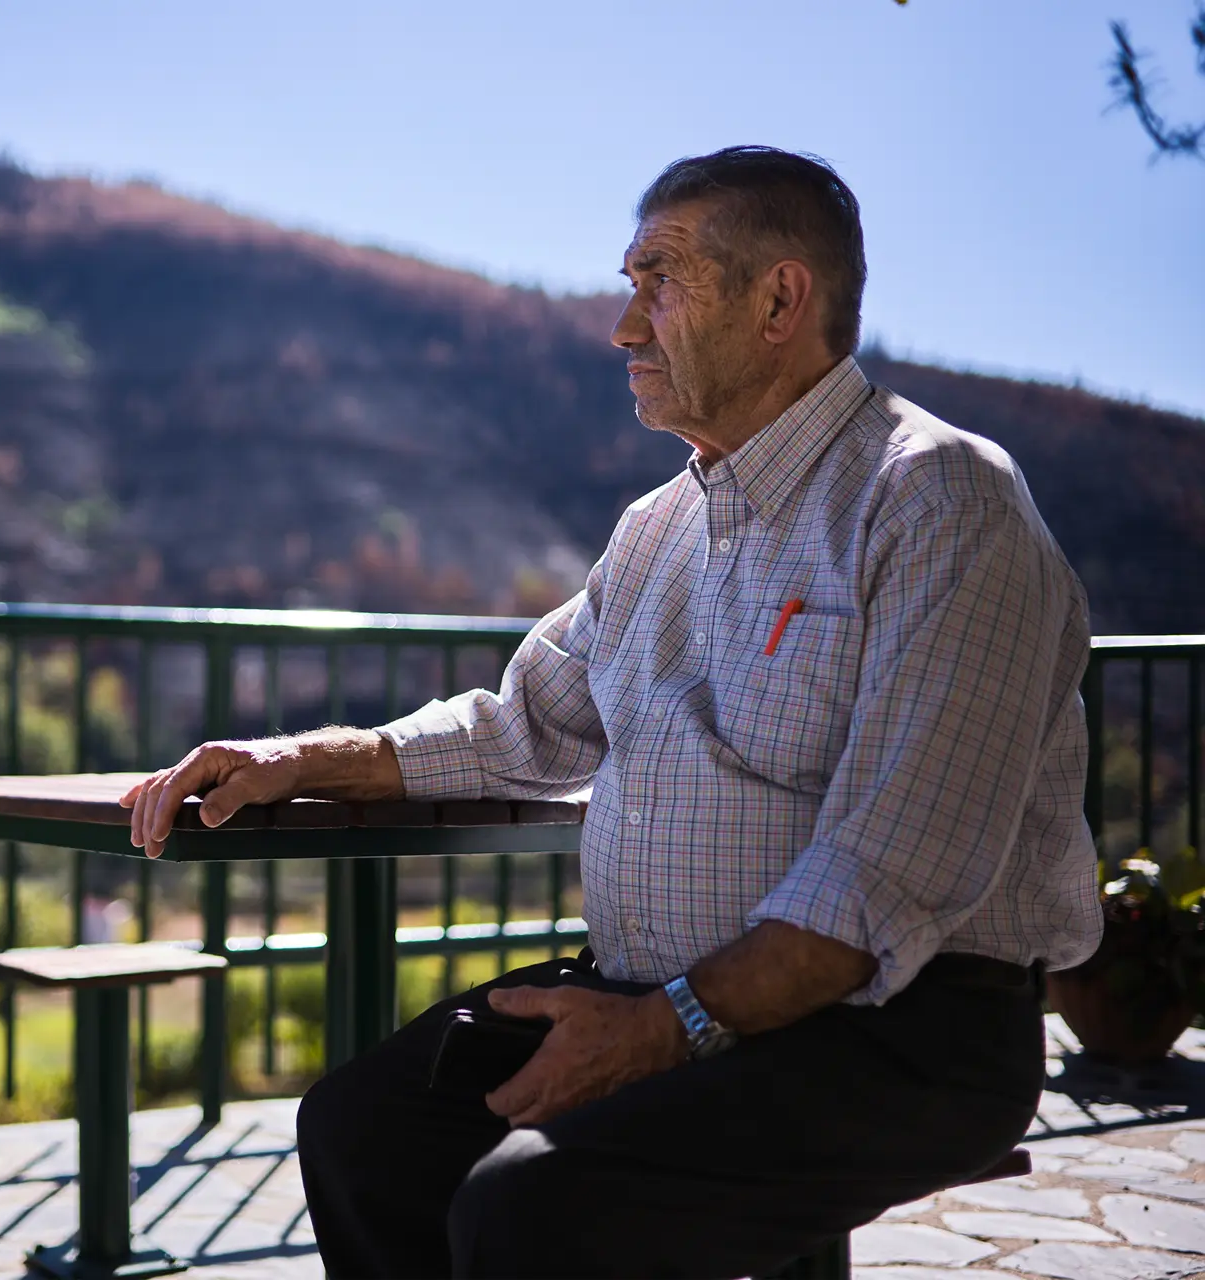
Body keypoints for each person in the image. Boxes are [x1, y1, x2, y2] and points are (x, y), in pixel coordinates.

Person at [119, 145, 1102, 1279]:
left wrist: (663, 1027)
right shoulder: (657, 529)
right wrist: (306, 757)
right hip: (669, 991)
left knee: (532, 1206)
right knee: (363, 1130)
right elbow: (522, 723)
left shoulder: (939, 498)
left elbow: (887, 873)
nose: (625, 328)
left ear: (780, 297)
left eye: (660, 281)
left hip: (901, 1025)